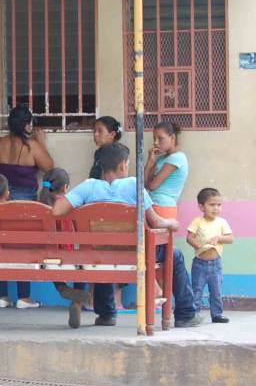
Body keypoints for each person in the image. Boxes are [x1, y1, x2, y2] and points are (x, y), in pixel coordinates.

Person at [52, 143, 202, 328]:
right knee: (175, 255)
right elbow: (155, 222)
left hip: (99, 256)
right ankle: (186, 314)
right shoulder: (134, 185)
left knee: (103, 251)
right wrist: (171, 223)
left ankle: (106, 314)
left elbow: (57, 210)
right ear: (123, 165)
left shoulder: (88, 187)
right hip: (135, 254)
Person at [37, 168, 90, 328]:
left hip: (44, 254)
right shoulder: (68, 203)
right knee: (80, 263)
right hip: (67, 252)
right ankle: (76, 300)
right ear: (66, 187)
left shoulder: (39, 203)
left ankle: (62, 288)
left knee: (50, 261)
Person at [0, 173, 37, 309]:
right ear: (7, 193)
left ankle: (2, 297)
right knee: (23, 253)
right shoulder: (13, 212)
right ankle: (23, 298)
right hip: (15, 251)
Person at [88, 116, 126, 309]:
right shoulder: (99, 154)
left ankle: (115, 301)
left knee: (112, 254)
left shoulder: (118, 154)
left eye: (100, 131)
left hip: (109, 211)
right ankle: (95, 299)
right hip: (99, 211)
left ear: (112, 134)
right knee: (100, 255)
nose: (95, 135)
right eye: (94, 131)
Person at [0, 105, 54, 200]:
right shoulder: (31, 145)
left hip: (1, 196)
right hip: (25, 198)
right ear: (26, 125)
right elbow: (49, 168)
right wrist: (42, 144)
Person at [187, 188, 233, 324]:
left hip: (216, 264)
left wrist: (219, 238)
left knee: (216, 291)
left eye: (219, 205)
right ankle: (194, 314)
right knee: (197, 290)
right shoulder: (197, 221)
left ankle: (217, 314)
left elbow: (230, 238)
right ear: (201, 206)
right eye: (212, 205)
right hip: (199, 263)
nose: (216, 208)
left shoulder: (222, 222)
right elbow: (189, 237)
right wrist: (197, 246)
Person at [144, 121, 188, 220]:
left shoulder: (177, 158)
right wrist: (149, 162)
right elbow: (144, 184)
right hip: (153, 204)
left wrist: (149, 179)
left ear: (172, 138)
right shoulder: (161, 159)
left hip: (162, 206)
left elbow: (151, 186)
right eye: (154, 139)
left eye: (160, 138)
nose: (156, 142)